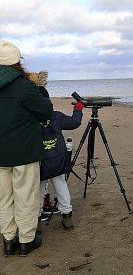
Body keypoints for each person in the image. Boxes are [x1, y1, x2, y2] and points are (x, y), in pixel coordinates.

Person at [0, 40, 53, 257]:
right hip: (24, 151)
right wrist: (38, 87)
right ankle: (26, 240)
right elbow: (46, 111)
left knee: (4, 199)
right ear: (17, 62)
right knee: (25, 196)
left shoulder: (22, 86)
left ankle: (8, 240)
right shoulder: (24, 86)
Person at [36, 86, 84, 230]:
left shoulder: (29, 118)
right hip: (57, 159)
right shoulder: (56, 116)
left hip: (39, 160)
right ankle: (67, 216)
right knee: (61, 185)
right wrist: (78, 109)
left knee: (37, 190)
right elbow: (74, 123)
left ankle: (36, 218)